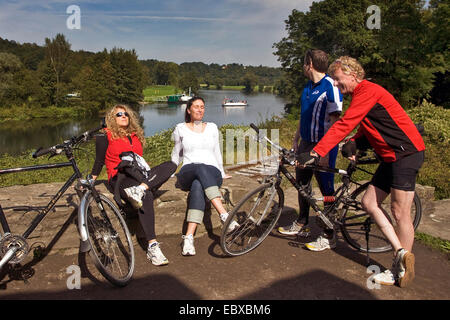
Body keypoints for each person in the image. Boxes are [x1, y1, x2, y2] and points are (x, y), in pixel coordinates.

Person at [297, 56, 425, 287]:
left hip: (406, 154)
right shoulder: (359, 95)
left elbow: (345, 123)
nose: (335, 84)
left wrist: (316, 152)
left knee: (399, 212)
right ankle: (401, 253)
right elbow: (368, 126)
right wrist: (354, 142)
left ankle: (401, 270)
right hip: (390, 157)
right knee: (368, 203)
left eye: (337, 79)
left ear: (353, 75)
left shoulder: (368, 91)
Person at [91, 104, 177, 266]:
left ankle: (140, 189)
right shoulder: (105, 135)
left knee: (171, 165)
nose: (124, 116)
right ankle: (153, 246)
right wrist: (91, 180)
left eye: (126, 114)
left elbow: (139, 160)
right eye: (119, 114)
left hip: (139, 177)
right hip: (120, 178)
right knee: (148, 195)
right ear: (111, 118)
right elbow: (99, 161)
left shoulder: (135, 134)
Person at [278, 49, 343, 250]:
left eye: (304, 63)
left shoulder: (331, 86)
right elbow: (304, 115)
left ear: (310, 64)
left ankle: (329, 234)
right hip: (306, 143)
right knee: (302, 183)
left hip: (323, 145)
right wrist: (297, 137)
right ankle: (302, 222)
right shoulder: (307, 86)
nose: (303, 66)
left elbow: (335, 123)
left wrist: (324, 150)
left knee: (326, 189)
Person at [171, 96, 237, 256]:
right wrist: (171, 172)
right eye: (196, 107)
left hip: (211, 172)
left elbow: (217, 151)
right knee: (199, 168)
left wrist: (221, 172)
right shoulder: (180, 128)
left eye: (202, 107)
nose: (200, 109)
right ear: (189, 110)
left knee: (198, 185)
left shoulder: (212, 127)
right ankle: (224, 214)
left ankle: (188, 238)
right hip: (187, 171)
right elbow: (176, 154)